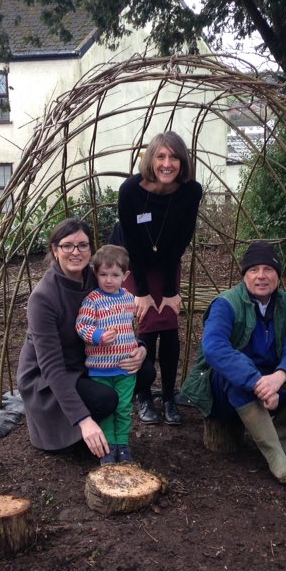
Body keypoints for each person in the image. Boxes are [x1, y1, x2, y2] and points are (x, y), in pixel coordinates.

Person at [180, 242, 286, 484]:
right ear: (245, 276)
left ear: (277, 276)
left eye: (268, 269)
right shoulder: (226, 303)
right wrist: (257, 382)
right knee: (233, 375)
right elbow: (214, 348)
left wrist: (279, 378)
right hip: (224, 394)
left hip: (270, 386)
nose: (261, 276)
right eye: (254, 270)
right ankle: (274, 454)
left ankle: (280, 437)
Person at [16, 218, 147, 458]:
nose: (75, 252)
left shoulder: (97, 277)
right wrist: (83, 420)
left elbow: (118, 319)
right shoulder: (43, 297)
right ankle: (79, 434)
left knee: (144, 370)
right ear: (55, 250)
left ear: (90, 249)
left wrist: (140, 347)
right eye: (67, 245)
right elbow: (51, 366)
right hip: (51, 375)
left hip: (90, 361)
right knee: (105, 399)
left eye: (83, 245)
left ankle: (110, 431)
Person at [110, 132, 203, 426]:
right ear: (151, 159)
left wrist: (171, 291)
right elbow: (132, 244)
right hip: (134, 259)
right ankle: (144, 396)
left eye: (174, 157)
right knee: (148, 320)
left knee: (169, 321)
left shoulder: (190, 191)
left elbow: (181, 240)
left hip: (167, 259)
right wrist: (142, 292)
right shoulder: (130, 191)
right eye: (161, 156)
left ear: (182, 161)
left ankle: (169, 396)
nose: (167, 163)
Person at [75, 244, 139, 465]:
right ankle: (109, 446)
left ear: (125, 276)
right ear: (96, 274)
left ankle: (123, 444)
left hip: (125, 368)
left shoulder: (129, 299)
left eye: (115, 275)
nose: (109, 280)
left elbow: (131, 328)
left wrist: (136, 347)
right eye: (103, 275)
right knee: (108, 409)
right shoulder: (92, 300)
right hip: (99, 369)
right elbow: (81, 326)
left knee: (123, 407)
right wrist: (98, 335)